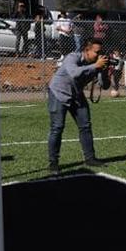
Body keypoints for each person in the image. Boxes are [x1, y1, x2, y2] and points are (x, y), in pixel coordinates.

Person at [47, 37, 109, 173]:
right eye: (96, 52)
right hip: (59, 93)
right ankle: (53, 163)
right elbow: (74, 73)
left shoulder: (97, 63)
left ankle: (90, 158)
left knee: (85, 126)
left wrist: (104, 71)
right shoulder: (72, 57)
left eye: (100, 52)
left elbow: (105, 86)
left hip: (76, 94)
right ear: (87, 50)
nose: (99, 55)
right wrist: (95, 66)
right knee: (57, 127)